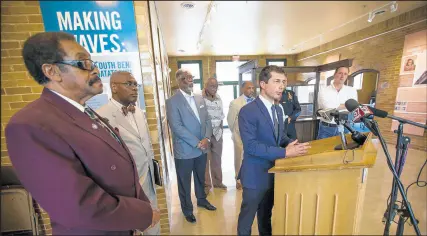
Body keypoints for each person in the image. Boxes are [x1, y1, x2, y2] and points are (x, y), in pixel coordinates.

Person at [5, 32, 159, 235]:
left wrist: (142, 210)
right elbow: (76, 204)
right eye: (83, 62)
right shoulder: (29, 125)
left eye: (91, 61)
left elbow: (123, 167)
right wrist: (142, 215)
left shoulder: (85, 112)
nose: (95, 69)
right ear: (52, 71)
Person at [237, 65, 310, 235]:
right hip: (254, 176)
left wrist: (293, 144)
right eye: (276, 81)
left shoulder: (279, 109)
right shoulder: (247, 111)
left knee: (265, 216)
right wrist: (285, 152)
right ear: (262, 84)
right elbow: (251, 146)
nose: (282, 86)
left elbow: (280, 137)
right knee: (246, 220)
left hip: (274, 173)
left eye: (284, 82)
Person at [96, 71, 160, 235]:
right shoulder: (101, 116)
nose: (134, 88)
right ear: (114, 87)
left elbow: (146, 145)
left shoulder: (139, 112)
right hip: (127, 187)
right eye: (129, 84)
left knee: (154, 226)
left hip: (148, 180)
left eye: (135, 84)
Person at [166, 69, 217, 224]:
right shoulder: (172, 102)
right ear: (179, 80)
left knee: (200, 178)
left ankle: (202, 200)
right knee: (184, 182)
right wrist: (197, 142)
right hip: (185, 151)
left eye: (191, 78)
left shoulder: (199, 98)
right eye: (187, 78)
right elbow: (177, 127)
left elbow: (207, 120)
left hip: (202, 148)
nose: (190, 81)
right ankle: (187, 210)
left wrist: (207, 138)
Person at [226, 81, 255, 190]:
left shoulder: (256, 101)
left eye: (252, 88)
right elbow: (230, 120)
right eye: (248, 88)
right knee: (239, 157)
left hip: (253, 135)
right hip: (239, 135)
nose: (251, 90)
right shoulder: (236, 103)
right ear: (242, 89)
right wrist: (235, 132)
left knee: (251, 156)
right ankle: (238, 179)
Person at [317, 66, 358, 139]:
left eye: (345, 74)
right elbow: (327, 107)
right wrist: (345, 105)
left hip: (345, 127)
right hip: (326, 128)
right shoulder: (323, 90)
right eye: (340, 73)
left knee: (343, 150)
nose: (342, 76)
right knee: (323, 150)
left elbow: (353, 107)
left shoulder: (352, 91)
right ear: (335, 74)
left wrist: (335, 106)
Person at [202, 77, 227, 195]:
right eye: (212, 86)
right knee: (205, 161)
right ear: (206, 86)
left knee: (217, 159)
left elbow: (221, 115)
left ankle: (218, 182)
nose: (214, 88)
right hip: (205, 134)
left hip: (217, 134)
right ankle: (206, 185)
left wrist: (221, 130)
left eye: (216, 86)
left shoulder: (219, 98)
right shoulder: (199, 99)